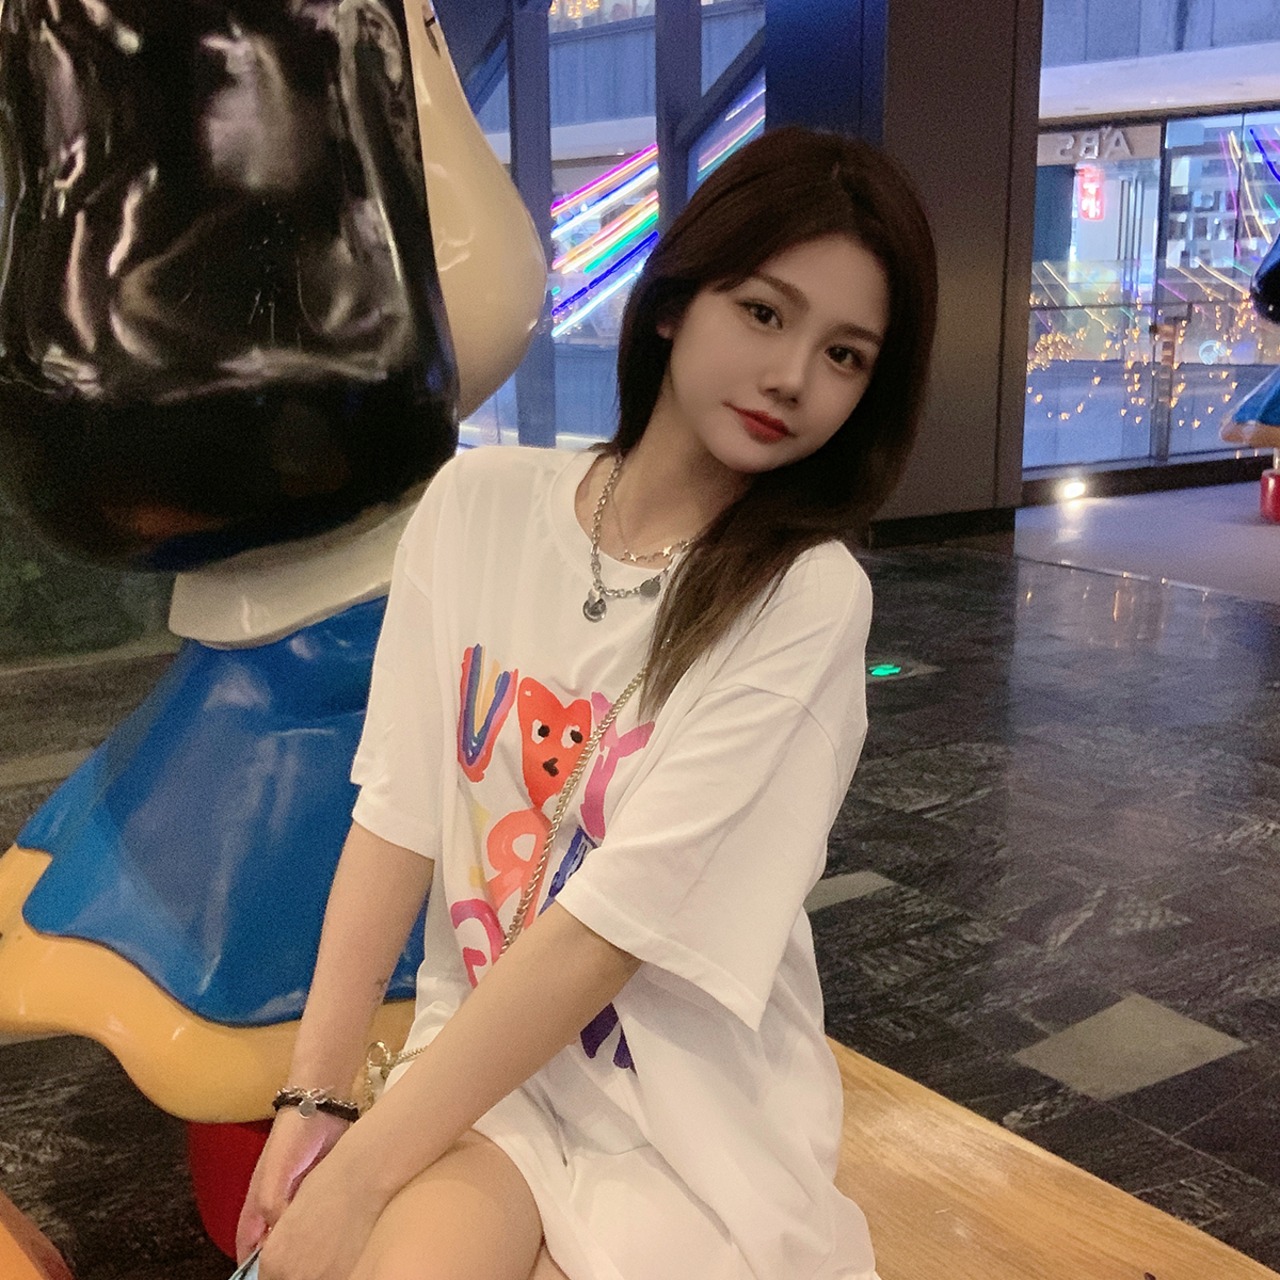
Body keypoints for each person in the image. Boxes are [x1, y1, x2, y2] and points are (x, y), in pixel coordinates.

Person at [235, 124, 938, 1280]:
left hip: (685, 1118)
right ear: (673, 301)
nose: (791, 377)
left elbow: (605, 937)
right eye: (763, 311)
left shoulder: (804, 598)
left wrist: (357, 1180)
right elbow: (397, 817)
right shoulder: (475, 506)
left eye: (844, 354)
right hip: (483, 1075)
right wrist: (315, 1101)